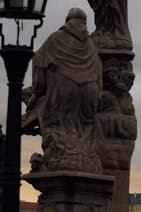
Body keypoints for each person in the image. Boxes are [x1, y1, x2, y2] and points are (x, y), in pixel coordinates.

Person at [23, 8, 103, 173]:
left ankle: (61, 156)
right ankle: (84, 156)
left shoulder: (55, 39)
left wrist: (37, 92)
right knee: (85, 129)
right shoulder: (91, 47)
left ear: (67, 21)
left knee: (55, 123)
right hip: (90, 96)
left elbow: (39, 63)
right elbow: (99, 79)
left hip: (63, 93)